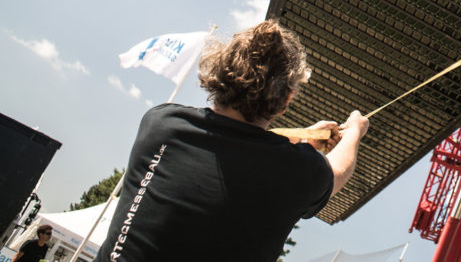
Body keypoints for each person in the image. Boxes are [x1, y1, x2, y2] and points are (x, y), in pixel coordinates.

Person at [95, 19, 369, 261]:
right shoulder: (299, 172)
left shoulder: (161, 124)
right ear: (286, 100)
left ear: (222, 69)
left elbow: (233, 143)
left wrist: (303, 138)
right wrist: (355, 130)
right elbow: (338, 171)